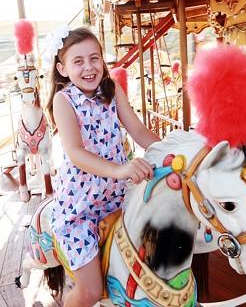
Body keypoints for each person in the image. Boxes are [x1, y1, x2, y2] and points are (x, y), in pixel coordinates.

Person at [46, 27, 160, 307]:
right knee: (91, 292)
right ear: (62, 69)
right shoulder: (64, 100)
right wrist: (119, 170)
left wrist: (173, 152)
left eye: (94, 58)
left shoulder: (111, 90)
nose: (89, 67)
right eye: (78, 61)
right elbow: (75, 152)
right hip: (81, 208)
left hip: (118, 198)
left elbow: (138, 130)